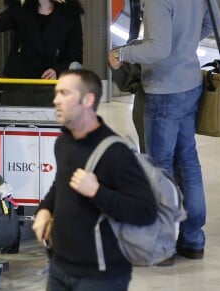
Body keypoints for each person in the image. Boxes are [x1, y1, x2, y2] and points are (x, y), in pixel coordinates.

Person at [108, 0, 220, 262]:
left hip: (162, 91)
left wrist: (123, 53)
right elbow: (209, 23)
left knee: (159, 169)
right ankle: (193, 238)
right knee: (188, 161)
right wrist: (183, 46)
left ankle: (165, 243)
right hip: (189, 85)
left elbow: (157, 49)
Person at [32, 69, 157, 291]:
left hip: (100, 277)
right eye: (56, 93)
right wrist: (45, 210)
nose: (55, 100)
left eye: (64, 93)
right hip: (59, 267)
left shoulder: (116, 153)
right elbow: (61, 185)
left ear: (88, 99)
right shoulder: (64, 143)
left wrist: (97, 192)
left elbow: (145, 211)